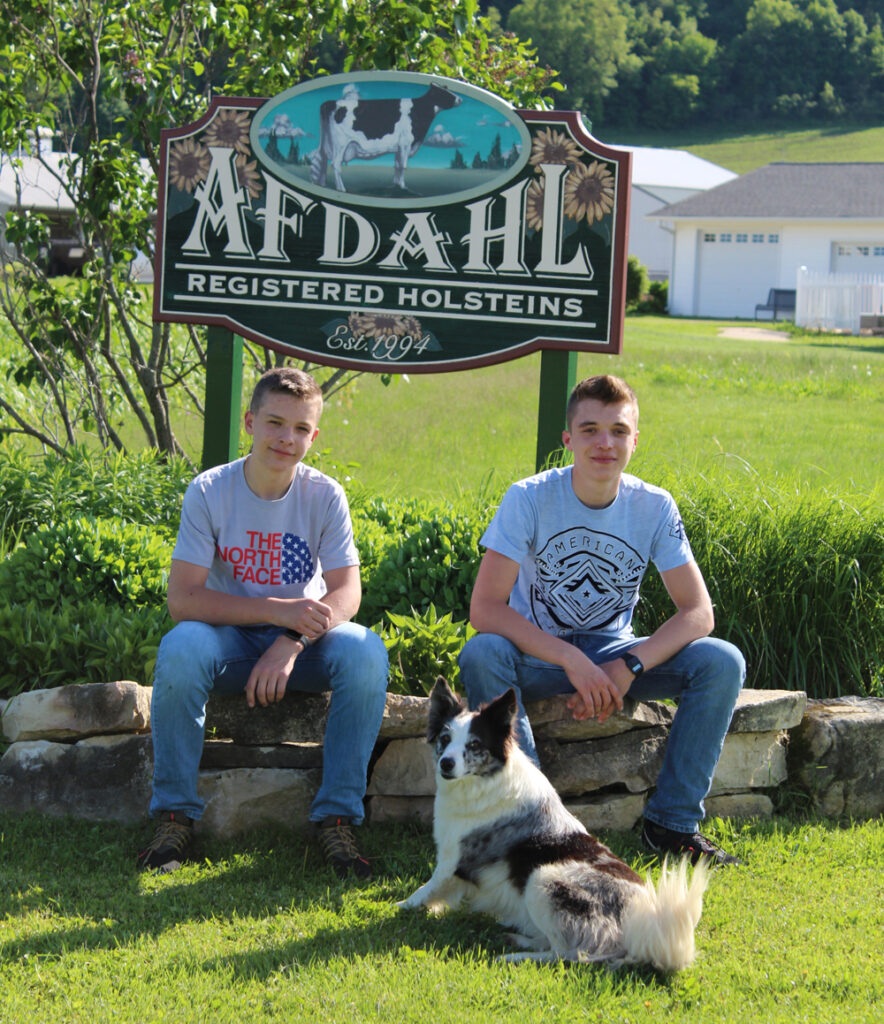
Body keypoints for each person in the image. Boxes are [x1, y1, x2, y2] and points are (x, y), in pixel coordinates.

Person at [458, 374, 745, 865]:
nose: (604, 443)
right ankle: (530, 824)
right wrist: (571, 660)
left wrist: (625, 666)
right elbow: (485, 609)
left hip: (616, 651)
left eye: (618, 430)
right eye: (589, 430)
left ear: (636, 440)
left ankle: (671, 825)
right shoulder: (528, 497)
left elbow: (698, 613)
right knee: (483, 651)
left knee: (721, 662)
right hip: (540, 654)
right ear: (568, 440)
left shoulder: (653, 505)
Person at [138, 367, 388, 878]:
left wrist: (291, 640)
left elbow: (347, 591)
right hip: (226, 644)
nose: (286, 439)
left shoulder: (325, 495)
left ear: (314, 436)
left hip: (303, 645)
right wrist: (278, 612)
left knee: (364, 651)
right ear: (250, 422)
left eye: (300, 429)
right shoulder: (209, 491)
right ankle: (174, 815)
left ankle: (337, 817)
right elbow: (184, 600)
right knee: (182, 647)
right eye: (275, 423)